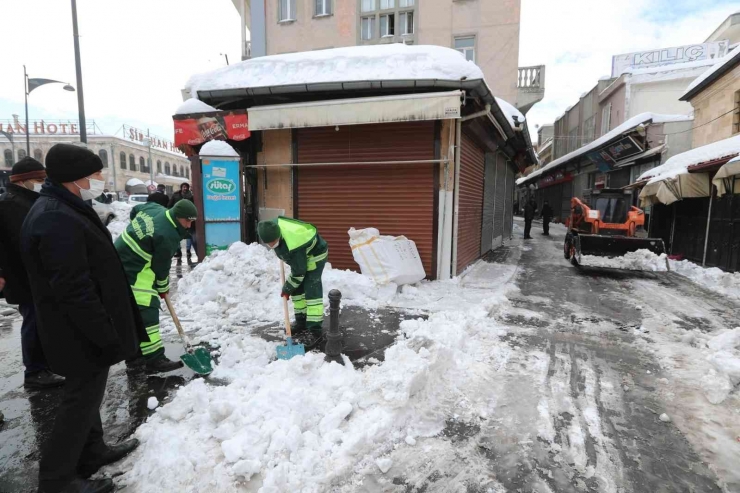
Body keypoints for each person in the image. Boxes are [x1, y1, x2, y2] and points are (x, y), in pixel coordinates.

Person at [21, 144, 146, 493]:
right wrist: (103, 334)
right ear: (76, 178)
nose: (100, 179)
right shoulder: (54, 217)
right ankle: (57, 481)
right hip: (77, 331)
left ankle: (93, 452)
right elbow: (73, 289)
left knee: (89, 398)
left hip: (80, 329)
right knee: (78, 404)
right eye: (95, 173)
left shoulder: (65, 207)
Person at [0, 158, 65, 390]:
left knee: (41, 320)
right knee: (34, 321)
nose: (42, 183)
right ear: (24, 180)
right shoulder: (11, 204)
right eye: (39, 180)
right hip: (23, 276)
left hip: (32, 275)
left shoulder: (26, 200)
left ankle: (44, 365)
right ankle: (35, 371)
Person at [115, 199, 198, 373]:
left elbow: (136, 210)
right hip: (133, 267)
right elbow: (161, 268)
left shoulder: (155, 208)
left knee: (131, 311)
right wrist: (163, 288)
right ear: (177, 216)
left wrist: (139, 234)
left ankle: (134, 356)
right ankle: (155, 359)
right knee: (147, 309)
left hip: (117, 255)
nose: (189, 225)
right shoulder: (168, 235)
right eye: (187, 221)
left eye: (192, 221)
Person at [258, 217, 328, 336]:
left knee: (312, 291)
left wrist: (287, 288)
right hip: (300, 256)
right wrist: (292, 288)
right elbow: (297, 268)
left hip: (315, 255)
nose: (271, 245)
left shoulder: (294, 244)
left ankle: (314, 330)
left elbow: (299, 272)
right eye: (268, 243)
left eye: (273, 242)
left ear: (278, 235)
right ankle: (301, 321)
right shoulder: (270, 227)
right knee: (297, 290)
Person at [168, 182, 195, 263]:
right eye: (183, 187)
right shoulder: (175, 195)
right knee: (177, 234)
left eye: (186, 187)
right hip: (177, 217)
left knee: (188, 234)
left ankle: (188, 250)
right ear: (181, 188)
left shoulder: (191, 196)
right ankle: (178, 251)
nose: (185, 188)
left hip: (187, 217)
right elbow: (170, 204)